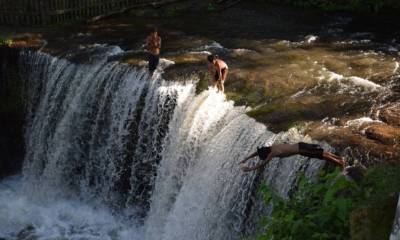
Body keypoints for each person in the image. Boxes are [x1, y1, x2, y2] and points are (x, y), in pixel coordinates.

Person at [239, 142, 345, 172]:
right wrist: (246, 158)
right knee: (322, 154)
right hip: (301, 145)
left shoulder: (272, 153)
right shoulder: (272, 147)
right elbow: (258, 152)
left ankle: (341, 163)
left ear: (266, 154)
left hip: (302, 150)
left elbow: (263, 163)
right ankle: (339, 159)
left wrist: (250, 169)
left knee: (322, 155)